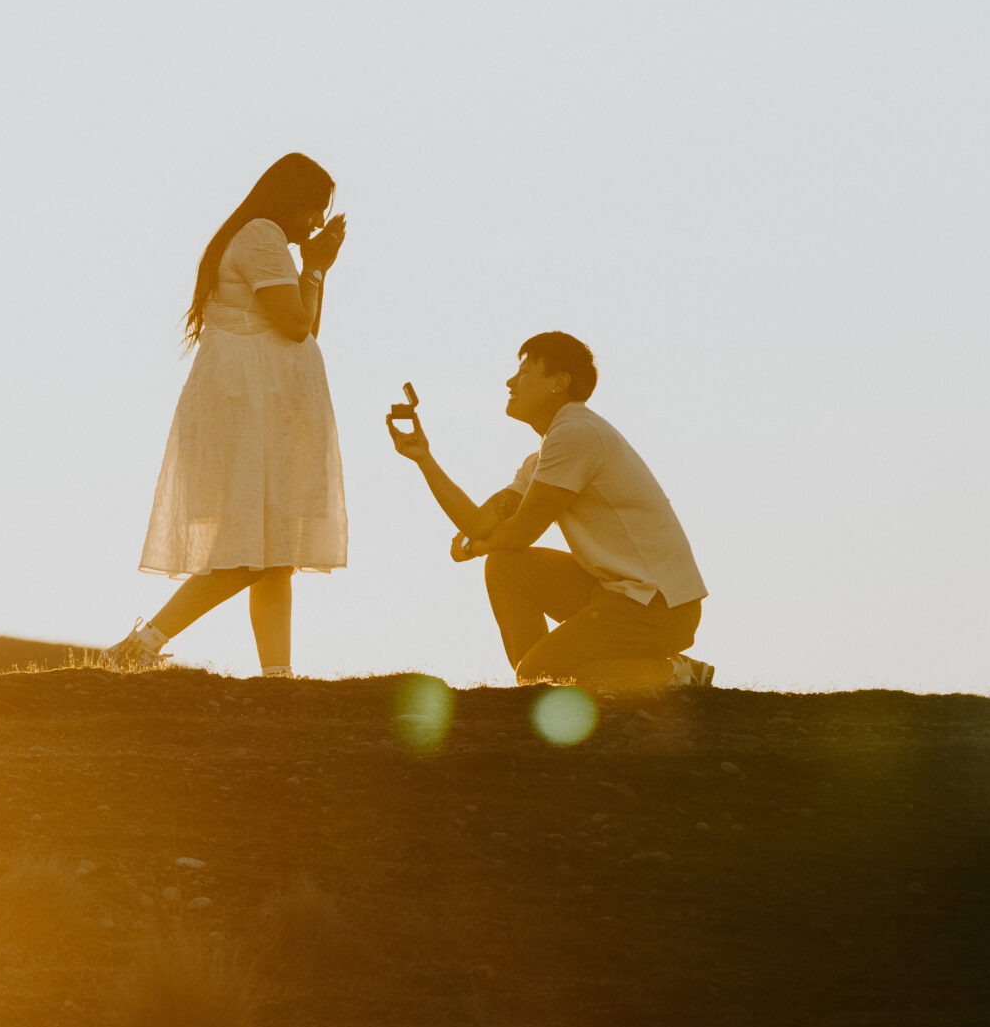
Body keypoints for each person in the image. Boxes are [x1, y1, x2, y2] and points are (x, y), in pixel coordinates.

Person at [105, 153, 350, 676]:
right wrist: (315, 266)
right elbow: (294, 325)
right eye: (313, 208)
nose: (315, 222)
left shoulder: (262, 239)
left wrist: (315, 271)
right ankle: (142, 644)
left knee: (276, 553)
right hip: (252, 408)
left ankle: (277, 676)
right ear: (292, 198)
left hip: (266, 406)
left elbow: (305, 327)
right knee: (246, 554)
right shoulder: (261, 235)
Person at [386, 332, 713, 690]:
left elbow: (519, 534)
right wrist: (424, 458)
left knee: (536, 668)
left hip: (657, 607)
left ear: (559, 383)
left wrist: (476, 547)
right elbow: (480, 522)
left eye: (525, 372)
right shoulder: (545, 456)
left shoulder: (576, 433)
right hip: (614, 595)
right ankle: (537, 689)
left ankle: (672, 673)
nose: (511, 382)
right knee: (506, 569)